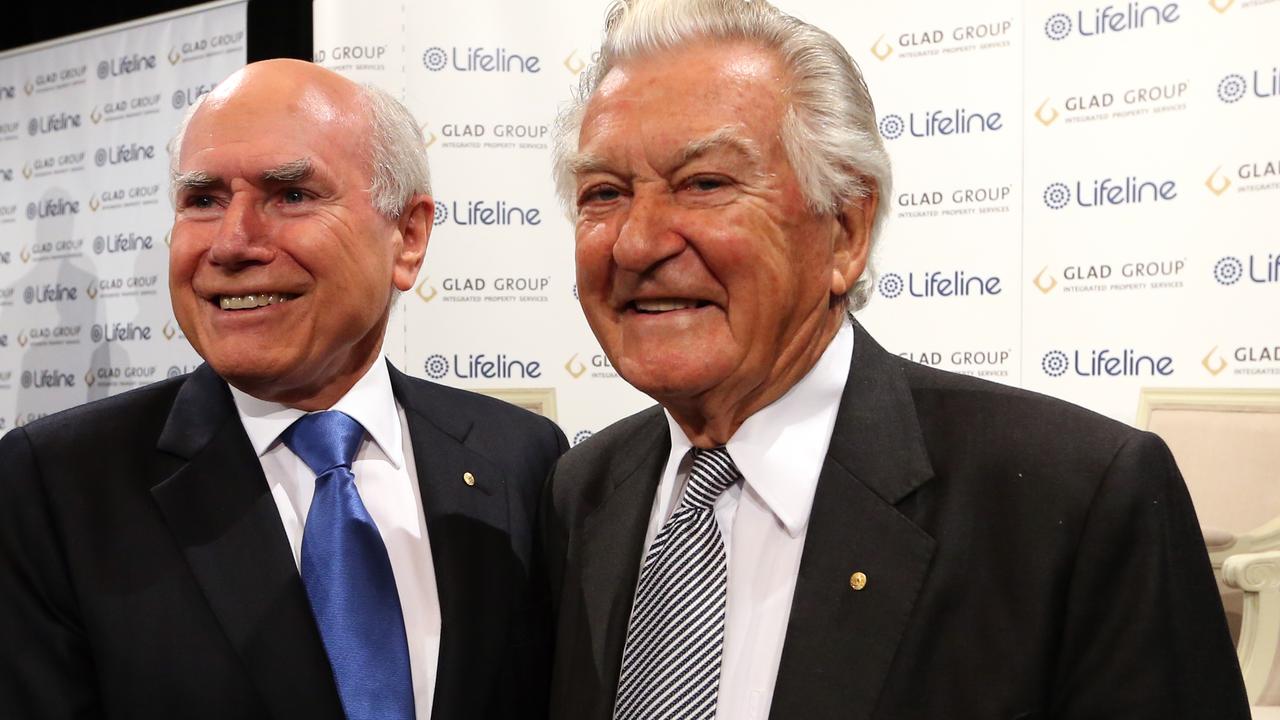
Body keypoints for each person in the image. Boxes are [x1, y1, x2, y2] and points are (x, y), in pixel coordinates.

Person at [541, 1, 1250, 718]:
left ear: (845, 230)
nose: (635, 243)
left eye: (705, 184)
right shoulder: (579, 494)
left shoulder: (1075, 502)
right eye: (605, 194)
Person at [0, 59, 565, 720]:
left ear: (408, 236)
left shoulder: (522, 459)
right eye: (203, 199)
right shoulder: (57, 486)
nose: (233, 243)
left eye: (291, 195)